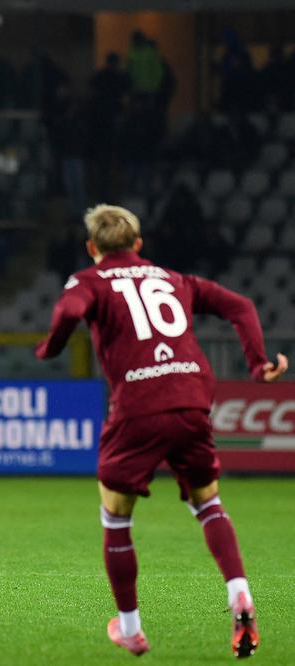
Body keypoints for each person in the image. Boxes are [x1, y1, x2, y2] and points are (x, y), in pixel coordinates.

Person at [35, 205, 287, 658]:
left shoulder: (90, 280)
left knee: (116, 516)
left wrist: (49, 349)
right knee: (208, 503)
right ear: (138, 244)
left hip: (138, 404)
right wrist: (256, 364)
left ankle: (131, 629)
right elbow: (241, 306)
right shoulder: (175, 279)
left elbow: (69, 309)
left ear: (92, 248)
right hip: (192, 395)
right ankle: (239, 594)